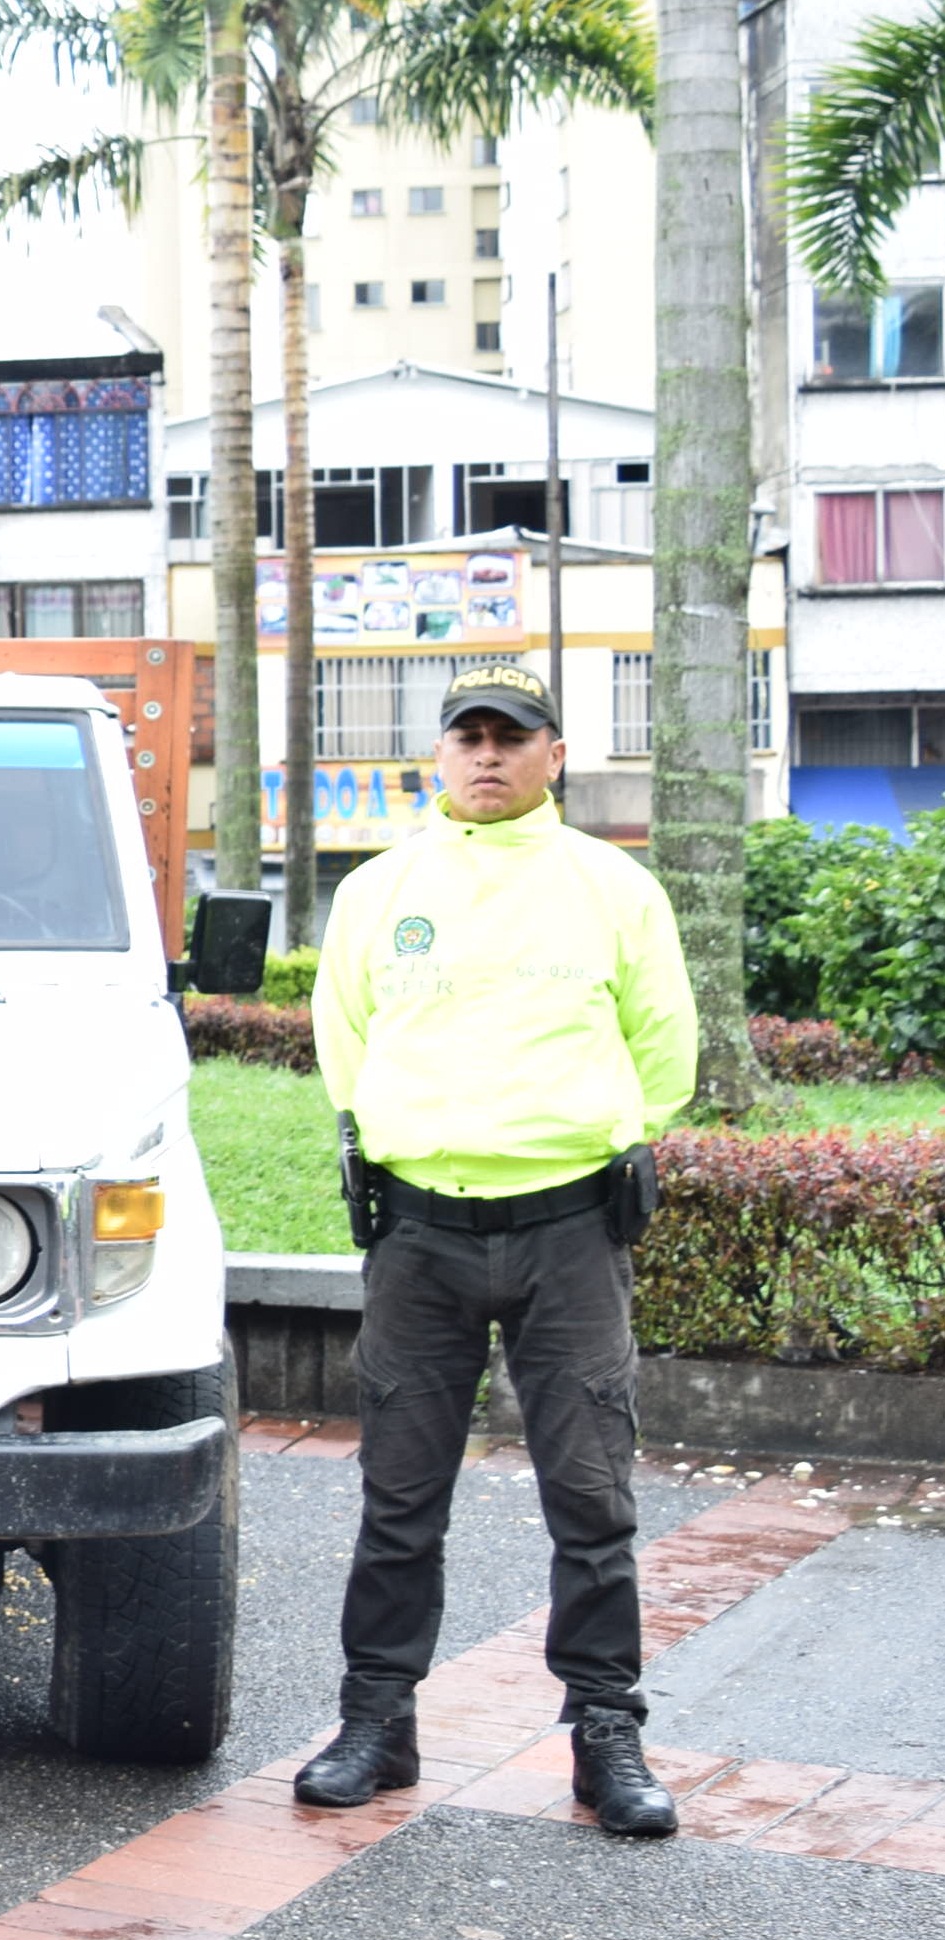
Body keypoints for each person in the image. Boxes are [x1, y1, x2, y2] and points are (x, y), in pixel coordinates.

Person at [294, 666, 695, 1834]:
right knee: (398, 1493)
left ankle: (605, 1734)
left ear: (552, 755)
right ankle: (377, 1720)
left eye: (509, 738)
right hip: (420, 1230)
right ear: (439, 756)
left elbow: (663, 1050)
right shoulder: (379, 892)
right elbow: (344, 1041)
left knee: (590, 1493)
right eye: (467, 736)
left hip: (569, 1230)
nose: (487, 756)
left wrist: (582, 1136)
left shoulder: (612, 889)